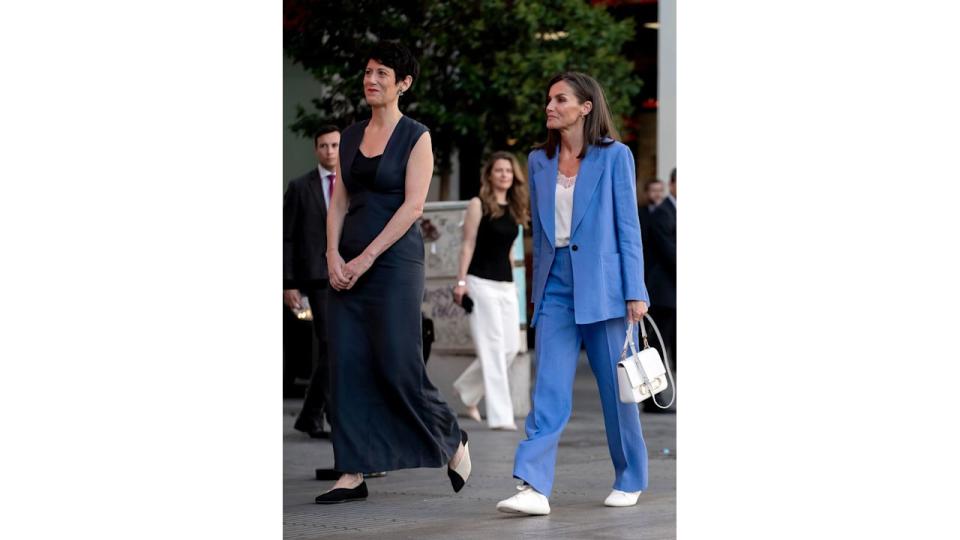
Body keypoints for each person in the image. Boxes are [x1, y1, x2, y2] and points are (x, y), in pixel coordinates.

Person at [315, 40, 471, 504]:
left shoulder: (416, 135)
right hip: (345, 261)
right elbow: (338, 201)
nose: (372, 79)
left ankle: (451, 438)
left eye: (383, 73)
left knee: (398, 361)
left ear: (404, 83)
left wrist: (365, 259)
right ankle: (352, 470)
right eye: (368, 71)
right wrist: (332, 255)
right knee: (345, 363)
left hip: (394, 263)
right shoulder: (350, 134)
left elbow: (413, 207)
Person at [496, 72, 651, 516]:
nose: (550, 106)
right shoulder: (537, 161)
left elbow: (627, 228)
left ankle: (630, 476)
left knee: (615, 389)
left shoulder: (615, 157)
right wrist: (537, 293)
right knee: (548, 388)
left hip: (605, 287)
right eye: (548, 99)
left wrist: (635, 291)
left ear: (585, 107)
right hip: (557, 287)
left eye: (560, 99)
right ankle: (533, 485)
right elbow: (542, 236)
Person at [451, 152, 530, 430]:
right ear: (490, 175)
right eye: (499, 170)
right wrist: (461, 282)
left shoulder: (516, 207)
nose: (504, 175)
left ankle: (467, 389)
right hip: (480, 282)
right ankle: (501, 418)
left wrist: (517, 289)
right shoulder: (478, 204)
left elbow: (509, 252)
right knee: (493, 348)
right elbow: (467, 244)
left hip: (506, 284)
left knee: (510, 347)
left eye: (509, 171)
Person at [283, 125, 341, 438]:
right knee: (331, 344)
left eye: (335, 145)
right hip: (316, 278)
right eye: (324, 146)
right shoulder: (299, 187)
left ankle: (310, 414)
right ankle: (330, 417)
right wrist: (288, 282)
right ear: (316, 149)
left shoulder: (353, 183)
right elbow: (286, 237)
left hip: (349, 274)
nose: (330, 151)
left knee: (339, 347)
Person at [642, 168, 676, 414]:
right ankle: (653, 398)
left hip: (672, 292)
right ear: (672, 184)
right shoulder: (663, 213)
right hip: (663, 293)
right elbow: (670, 254)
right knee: (656, 348)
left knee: (669, 347)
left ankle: (662, 395)